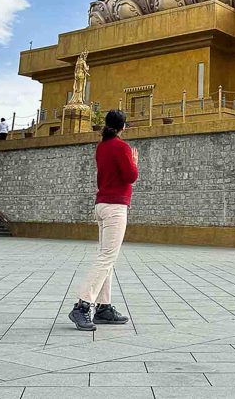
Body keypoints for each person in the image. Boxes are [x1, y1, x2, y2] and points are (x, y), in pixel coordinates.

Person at [69, 110, 138, 330]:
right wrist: (134, 162)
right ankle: (82, 306)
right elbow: (130, 176)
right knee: (107, 258)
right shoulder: (122, 147)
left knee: (106, 257)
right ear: (123, 127)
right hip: (116, 207)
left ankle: (103, 307)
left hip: (101, 205)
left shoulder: (101, 147)